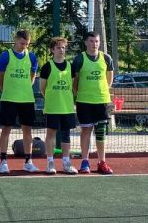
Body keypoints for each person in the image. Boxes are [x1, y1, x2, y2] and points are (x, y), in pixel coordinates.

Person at [0, 29, 40, 174]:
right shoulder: (5, 56)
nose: (24, 46)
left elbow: (32, 77)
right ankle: (3, 161)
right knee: (6, 130)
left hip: (26, 99)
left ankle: (28, 161)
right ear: (15, 40)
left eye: (27, 44)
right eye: (22, 43)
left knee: (27, 130)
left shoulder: (32, 57)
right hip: (9, 99)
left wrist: (24, 89)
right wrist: (7, 90)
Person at [72, 31, 115, 174]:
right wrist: (79, 94)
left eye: (96, 41)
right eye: (91, 41)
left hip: (102, 101)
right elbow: (75, 81)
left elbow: (109, 79)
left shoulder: (106, 58)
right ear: (85, 42)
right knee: (86, 131)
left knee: (101, 133)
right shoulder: (79, 59)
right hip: (84, 101)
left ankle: (102, 162)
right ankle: (85, 161)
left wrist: (102, 92)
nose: (94, 44)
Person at [39, 37, 79, 174]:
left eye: (63, 47)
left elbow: (73, 86)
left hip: (67, 107)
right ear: (52, 50)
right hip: (52, 107)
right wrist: (52, 98)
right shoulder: (47, 67)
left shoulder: (70, 67)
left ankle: (66, 163)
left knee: (66, 135)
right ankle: (50, 163)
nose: (61, 50)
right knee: (51, 134)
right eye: (58, 48)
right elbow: (42, 88)